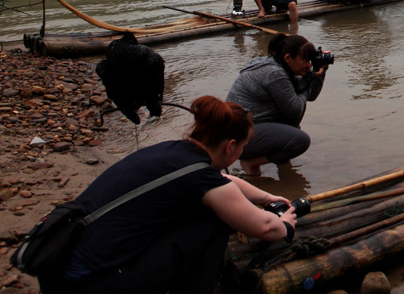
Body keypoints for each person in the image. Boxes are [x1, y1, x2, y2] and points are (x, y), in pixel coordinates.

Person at [40, 96, 297, 294]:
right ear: (231, 146)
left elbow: (225, 181)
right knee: (214, 221)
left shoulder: (173, 153)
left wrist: (265, 198)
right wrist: (286, 225)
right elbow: (265, 228)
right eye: (242, 147)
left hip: (57, 271)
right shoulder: (199, 176)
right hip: (95, 285)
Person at [226, 33, 328, 176]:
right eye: (305, 60)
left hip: (244, 128)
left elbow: (311, 96)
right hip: (237, 137)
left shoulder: (279, 65)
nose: (309, 65)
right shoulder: (275, 74)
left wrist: (320, 73)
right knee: (300, 140)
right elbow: (296, 109)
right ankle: (251, 162)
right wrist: (308, 80)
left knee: (291, 125)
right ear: (288, 58)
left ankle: (281, 164)